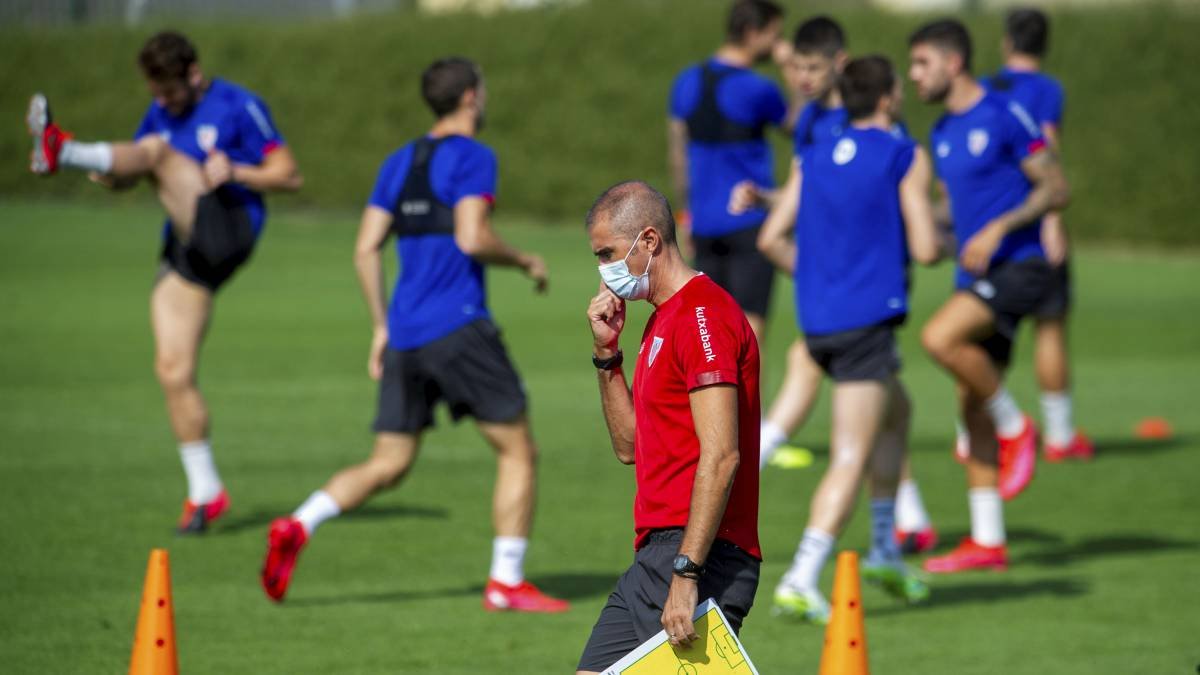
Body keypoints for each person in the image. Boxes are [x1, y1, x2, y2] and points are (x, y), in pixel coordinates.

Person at [258, 57, 566, 613]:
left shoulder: (399, 161)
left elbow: (364, 248)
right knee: (519, 449)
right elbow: (472, 237)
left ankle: (300, 523)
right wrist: (525, 260)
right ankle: (506, 581)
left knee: (389, 463)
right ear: (470, 97)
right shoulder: (473, 156)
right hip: (459, 326)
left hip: (405, 335)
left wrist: (381, 325)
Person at [25, 31, 302, 533]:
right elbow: (133, 172)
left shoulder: (238, 105)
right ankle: (205, 492)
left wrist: (237, 171)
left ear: (194, 74)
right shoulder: (160, 112)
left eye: (171, 92)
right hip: (185, 251)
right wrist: (109, 174)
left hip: (229, 229)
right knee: (173, 370)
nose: (164, 102)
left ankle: (63, 149)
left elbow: (289, 174)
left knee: (157, 150)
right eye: (156, 93)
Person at [733, 16, 939, 554]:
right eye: (796, 67)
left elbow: (869, 203)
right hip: (851, 296)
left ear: (838, 67)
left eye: (812, 68)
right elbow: (808, 195)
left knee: (888, 406)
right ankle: (813, 544)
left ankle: (899, 526)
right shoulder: (818, 126)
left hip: (849, 287)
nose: (801, 78)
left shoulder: (869, 136)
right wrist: (768, 199)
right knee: (864, 416)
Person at [577, 181, 761, 674]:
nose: (603, 270)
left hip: (699, 553)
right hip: (657, 554)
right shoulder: (660, 320)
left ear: (649, 240)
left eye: (607, 254)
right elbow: (629, 447)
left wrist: (686, 572)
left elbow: (722, 456)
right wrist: (606, 355)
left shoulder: (703, 316)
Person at [908, 20, 1070, 572]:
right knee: (969, 403)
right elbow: (954, 212)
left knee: (939, 337)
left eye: (922, 63)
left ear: (953, 62)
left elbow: (1056, 187)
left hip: (1021, 266)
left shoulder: (1005, 113)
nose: (914, 75)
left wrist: (1000, 228)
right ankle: (988, 539)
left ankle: (1018, 428)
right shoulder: (942, 131)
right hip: (974, 275)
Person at [976, 7, 1092, 462]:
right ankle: (1060, 437)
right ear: (1044, 44)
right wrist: (1052, 219)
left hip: (988, 225)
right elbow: (1047, 146)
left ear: (1007, 41)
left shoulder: (983, 87)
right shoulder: (1046, 89)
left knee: (986, 330)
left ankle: (974, 436)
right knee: (1050, 324)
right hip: (1030, 221)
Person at [667, 0, 787, 347]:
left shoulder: (686, 82)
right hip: (749, 220)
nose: (777, 44)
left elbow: (678, 157)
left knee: (711, 335)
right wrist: (790, 68)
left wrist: (684, 215)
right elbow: (799, 126)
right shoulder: (758, 88)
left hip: (704, 223)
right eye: (774, 35)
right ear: (752, 32)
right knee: (749, 334)